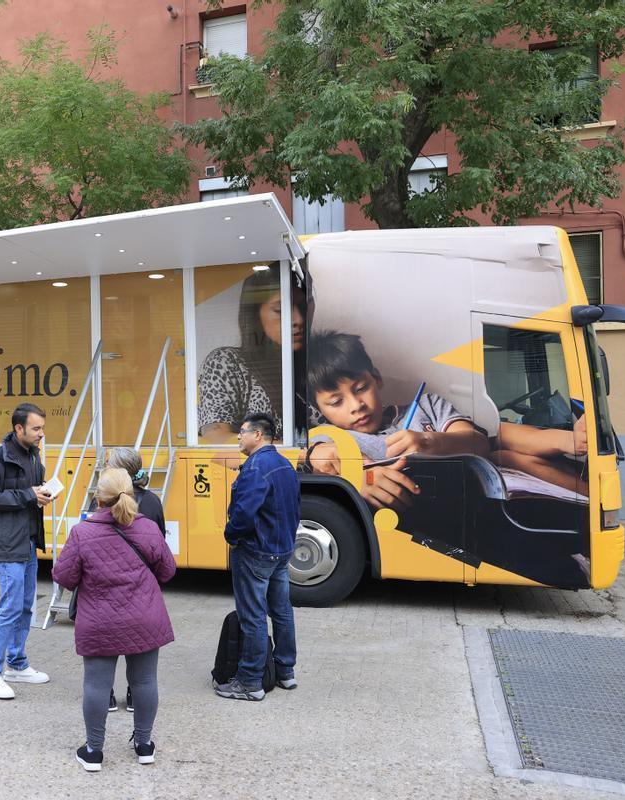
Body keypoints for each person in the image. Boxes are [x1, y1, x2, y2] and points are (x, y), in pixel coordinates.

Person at [52, 468, 176, 771]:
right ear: (131, 494)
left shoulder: (83, 532)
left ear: (98, 497)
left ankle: (93, 751)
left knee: (96, 685)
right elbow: (168, 571)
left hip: (99, 620)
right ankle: (144, 745)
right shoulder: (148, 529)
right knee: (145, 681)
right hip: (145, 618)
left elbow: (64, 577)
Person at [303, 330, 489, 510]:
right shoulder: (326, 442)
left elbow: (479, 444)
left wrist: (429, 442)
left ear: (377, 378)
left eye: (361, 388)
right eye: (336, 402)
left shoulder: (427, 405)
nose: (356, 405)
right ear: (320, 410)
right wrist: (359, 477)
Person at [215, 413, 301, 701]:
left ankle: (250, 682)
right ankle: (285, 672)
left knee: (252, 617)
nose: (238, 436)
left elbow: (243, 513)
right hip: (281, 550)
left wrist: (231, 536)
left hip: (255, 552)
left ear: (258, 435)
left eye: (242, 432)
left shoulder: (255, 468)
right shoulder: (284, 464)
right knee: (282, 611)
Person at [0, 402, 53, 700]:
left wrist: (42, 493)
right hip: (6, 545)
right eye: (36, 428)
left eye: (42, 428)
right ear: (18, 428)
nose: (41, 434)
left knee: (25, 607)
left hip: (28, 542)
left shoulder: (34, 456)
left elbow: (27, 494)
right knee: (10, 607)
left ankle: (17, 665)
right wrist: (27, 495)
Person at [198, 269, 307, 443]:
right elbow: (216, 437)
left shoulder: (321, 364)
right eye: (280, 310)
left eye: (302, 307)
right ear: (256, 315)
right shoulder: (227, 363)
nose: (298, 319)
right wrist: (297, 452)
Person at [97, 446, 166, 713]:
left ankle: (107, 696)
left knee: (106, 648)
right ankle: (136, 696)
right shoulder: (153, 502)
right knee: (141, 650)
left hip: (107, 590)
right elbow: (160, 552)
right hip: (142, 590)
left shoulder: (101, 504)